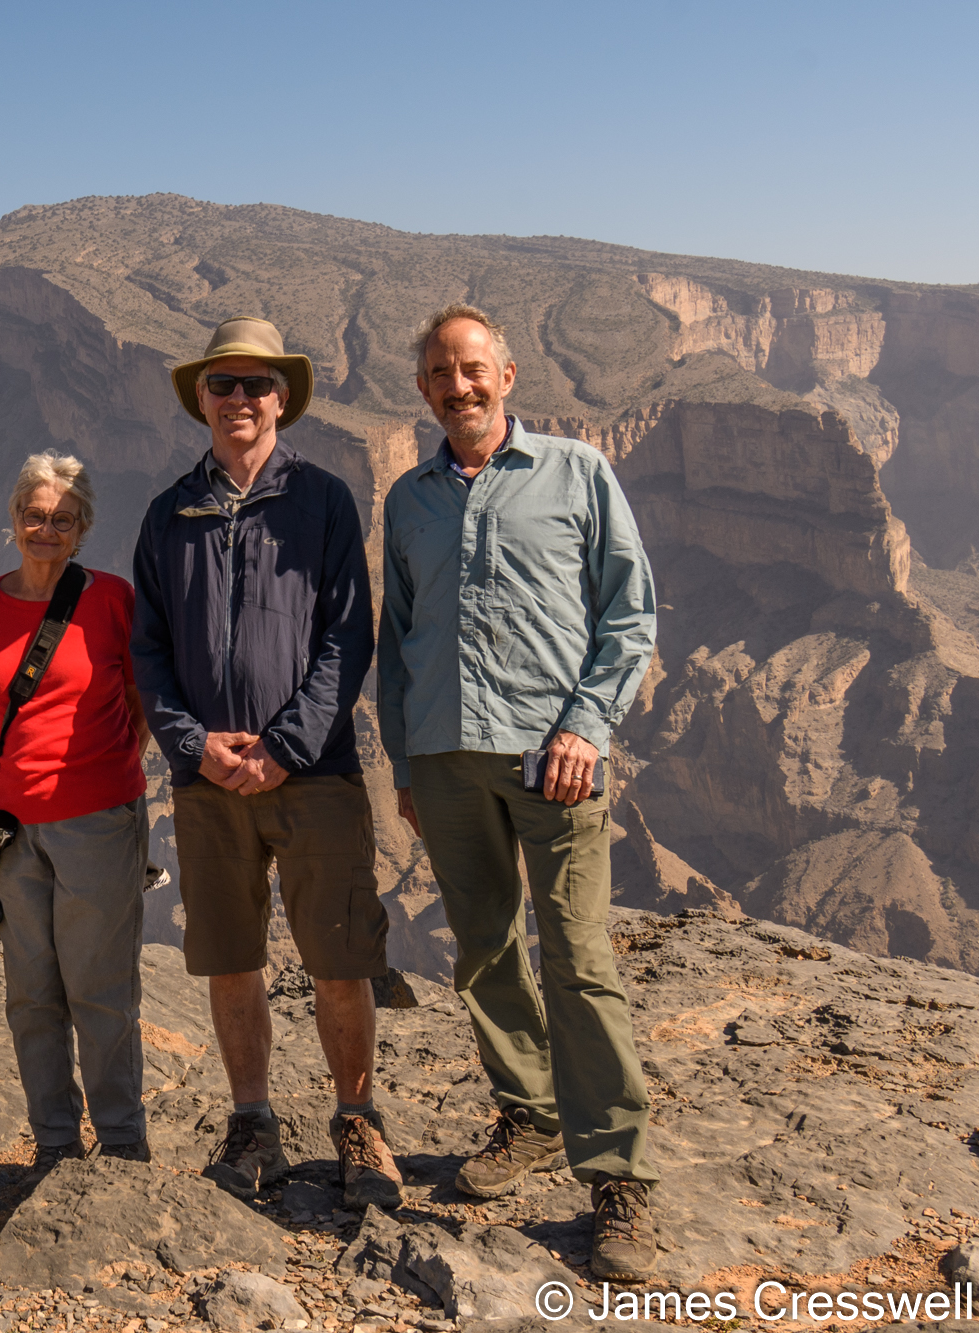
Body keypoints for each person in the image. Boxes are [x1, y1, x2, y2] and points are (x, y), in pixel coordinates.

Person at [379, 303, 661, 1281]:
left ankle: (617, 1172)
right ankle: (528, 1114)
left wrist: (588, 724)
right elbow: (396, 640)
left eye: (472, 369)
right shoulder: (407, 498)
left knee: (578, 958)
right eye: (439, 374)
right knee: (486, 951)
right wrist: (405, 766)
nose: (457, 387)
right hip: (446, 760)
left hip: (557, 760)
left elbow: (630, 613)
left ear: (506, 375)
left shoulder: (576, 472)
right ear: (422, 390)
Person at [131, 317, 399, 1207]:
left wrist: (284, 746)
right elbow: (149, 648)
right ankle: (252, 1121)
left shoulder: (322, 499)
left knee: (338, 955)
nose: (238, 399)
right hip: (206, 781)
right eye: (222, 384)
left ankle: (356, 1119)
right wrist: (191, 744)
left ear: (282, 397)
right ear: (200, 398)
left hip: (312, 773)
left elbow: (346, 634)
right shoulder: (168, 513)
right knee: (230, 956)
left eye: (255, 384)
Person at [0, 453, 151, 1174]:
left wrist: (104, 781)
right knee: (31, 990)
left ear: (82, 529)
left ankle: (121, 1140)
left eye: (61, 519)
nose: (45, 528)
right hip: (11, 826)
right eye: (33, 515)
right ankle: (53, 1141)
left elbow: (137, 706)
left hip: (96, 817)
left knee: (99, 986)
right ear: (13, 519)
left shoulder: (111, 599)